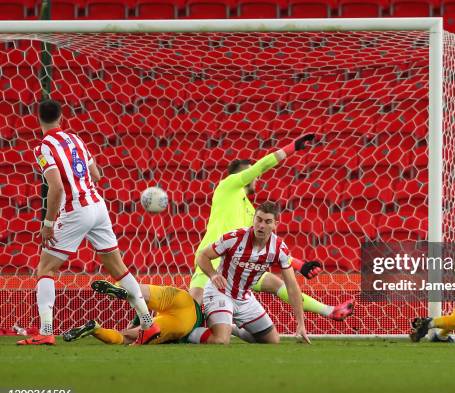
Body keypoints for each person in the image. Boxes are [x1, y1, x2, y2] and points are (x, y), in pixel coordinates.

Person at [18, 100, 159, 346]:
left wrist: (49, 222)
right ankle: (148, 323)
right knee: (118, 267)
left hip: (75, 210)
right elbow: (96, 175)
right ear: (62, 116)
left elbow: (57, 187)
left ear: (37, 117)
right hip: (98, 206)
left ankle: (46, 330)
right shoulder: (77, 140)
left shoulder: (43, 147)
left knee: (45, 269)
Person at [189, 134, 353, 323]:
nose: (256, 177)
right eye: (251, 173)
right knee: (192, 305)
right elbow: (261, 166)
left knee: (275, 283)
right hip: (212, 260)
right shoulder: (227, 186)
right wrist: (292, 147)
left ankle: (330, 311)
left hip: (238, 266)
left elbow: (267, 245)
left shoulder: (252, 212)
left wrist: (300, 265)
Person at [188, 202, 309, 345]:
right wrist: (213, 275)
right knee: (221, 341)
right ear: (254, 219)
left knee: (272, 341)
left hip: (244, 297)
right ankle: (187, 334)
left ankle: (231, 328)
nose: (261, 225)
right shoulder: (235, 237)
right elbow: (202, 255)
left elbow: (292, 286)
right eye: (259, 220)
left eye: (267, 221)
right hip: (220, 292)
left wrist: (301, 323)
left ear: (275, 224)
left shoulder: (279, 249)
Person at [63, 281, 202, 345]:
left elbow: (145, 305)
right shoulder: (198, 324)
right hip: (183, 321)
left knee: (139, 293)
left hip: (182, 296)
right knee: (128, 337)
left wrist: (135, 321)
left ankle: (119, 287)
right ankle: (96, 329)